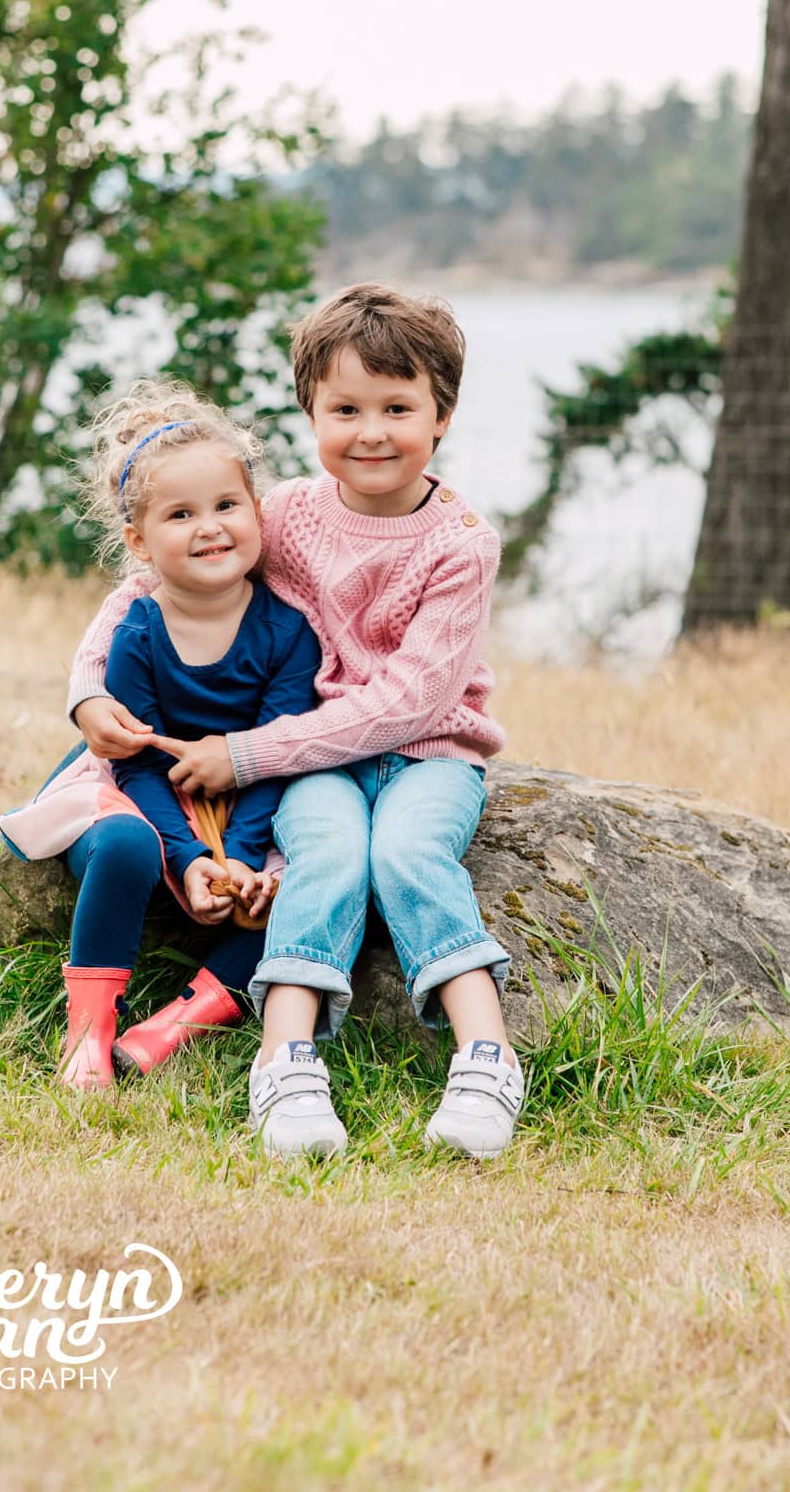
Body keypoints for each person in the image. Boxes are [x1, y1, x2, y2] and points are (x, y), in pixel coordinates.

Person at [68, 284, 523, 1159]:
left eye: (398, 407)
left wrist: (246, 754)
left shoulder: (462, 542)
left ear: (443, 415)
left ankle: (486, 1057)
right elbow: (145, 590)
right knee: (325, 858)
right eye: (344, 409)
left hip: (427, 757)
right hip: (314, 766)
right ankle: (284, 1062)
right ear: (309, 412)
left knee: (407, 854)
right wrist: (89, 694)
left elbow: (409, 705)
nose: (371, 431)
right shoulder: (286, 513)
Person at [46, 381, 320, 1092]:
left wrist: (247, 858)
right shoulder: (138, 629)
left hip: (247, 796)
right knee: (125, 845)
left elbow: (275, 752)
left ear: (257, 511)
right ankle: (89, 1034)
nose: (209, 527)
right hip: (141, 792)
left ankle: (173, 1026)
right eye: (180, 514)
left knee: (300, 890)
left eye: (227, 506)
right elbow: (133, 763)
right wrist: (191, 855)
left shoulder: (287, 633)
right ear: (138, 541)